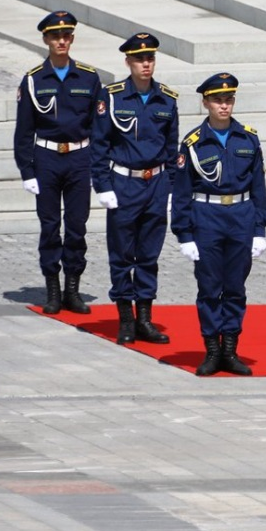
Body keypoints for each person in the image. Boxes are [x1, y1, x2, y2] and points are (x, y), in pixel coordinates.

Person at [171, 73, 266, 376]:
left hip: (240, 215)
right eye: (217, 100)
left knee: (236, 288)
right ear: (205, 103)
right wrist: (184, 233)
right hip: (207, 218)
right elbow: (182, 191)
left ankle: (230, 349)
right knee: (210, 287)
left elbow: (259, 187)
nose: (223, 106)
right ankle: (212, 351)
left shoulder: (248, 138)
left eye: (228, 100)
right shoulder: (193, 143)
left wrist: (259, 229)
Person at [13, 11, 104, 315]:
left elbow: (99, 127)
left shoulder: (89, 78)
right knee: (50, 226)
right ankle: (53, 288)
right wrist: (27, 170)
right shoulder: (34, 79)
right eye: (55, 37)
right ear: (45, 40)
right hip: (47, 158)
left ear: (72, 39)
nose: (61, 41)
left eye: (66, 36)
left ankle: (73, 289)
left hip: (79, 158)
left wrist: (96, 165)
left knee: (77, 226)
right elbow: (24, 130)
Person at [93, 32, 178, 346]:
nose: (146, 64)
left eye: (150, 58)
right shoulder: (112, 97)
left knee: (149, 254)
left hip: (155, 183)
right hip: (123, 182)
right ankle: (125, 318)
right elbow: (99, 145)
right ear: (128, 61)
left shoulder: (167, 99)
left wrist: (171, 190)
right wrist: (103, 185)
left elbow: (172, 150)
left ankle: (145, 318)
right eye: (140, 58)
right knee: (122, 253)